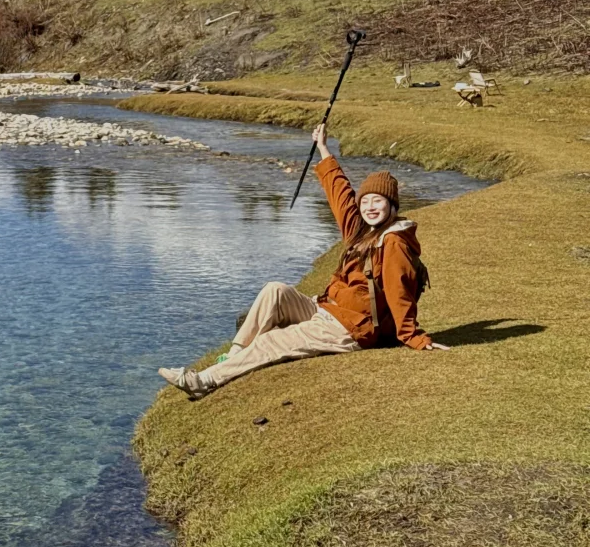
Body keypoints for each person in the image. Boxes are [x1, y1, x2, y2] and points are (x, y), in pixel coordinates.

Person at [159, 122, 448, 399]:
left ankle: (203, 382)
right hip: (327, 309)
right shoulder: (361, 230)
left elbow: (401, 293)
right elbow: (340, 195)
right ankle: (234, 356)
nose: (370, 207)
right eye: (366, 201)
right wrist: (323, 149)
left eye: (378, 201)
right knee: (276, 290)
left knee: (271, 341)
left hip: (350, 329)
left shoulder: (393, 241)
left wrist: (414, 338)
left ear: (392, 205)